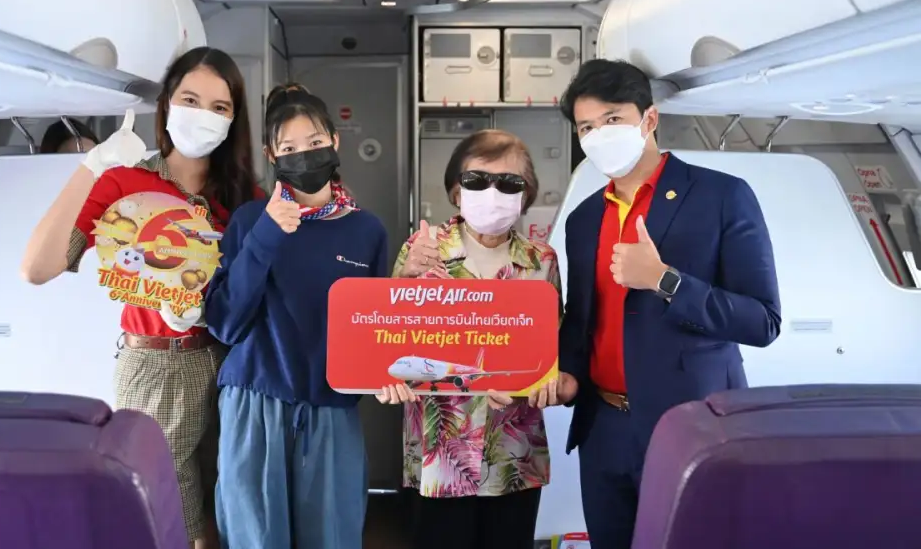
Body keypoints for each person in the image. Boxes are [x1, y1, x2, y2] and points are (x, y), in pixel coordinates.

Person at [20, 46, 260, 549]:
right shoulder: (126, 183)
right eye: (190, 100)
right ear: (167, 104)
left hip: (231, 364)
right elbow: (37, 267)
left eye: (219, 107)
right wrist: (92, 166)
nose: (203, 115)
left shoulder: (246, 199)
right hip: (154, 365)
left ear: (233, 119)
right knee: (165, 513)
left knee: (232, 504)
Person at [537, 59, 782, 549]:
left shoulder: (721, 196)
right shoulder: (584, 219)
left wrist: (666, 281)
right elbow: (584, 322)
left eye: (612, 119)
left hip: (690, 425)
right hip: (603, 427)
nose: (598, 135)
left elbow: (762, 321)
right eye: (586, 127)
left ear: (649, 118)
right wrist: (569, 374)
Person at [204, 83, 389, 549]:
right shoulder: (250, 221)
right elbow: (225, 323)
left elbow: (373, 331)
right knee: (255, 536)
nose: (304, 155)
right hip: (254, 402)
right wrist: (267, 235)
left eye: (315, 142)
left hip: (331, 410)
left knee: (333, 535)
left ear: (334, 142)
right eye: (288, 148)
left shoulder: (366, 231)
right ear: (272, 155)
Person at [377, 129, 562, 549]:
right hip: (439, 455)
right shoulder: (422, 251)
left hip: (513, 455)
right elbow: (387, 335)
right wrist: (406, 278)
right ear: (456, 191)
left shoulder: (542, 261)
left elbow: (551, 347)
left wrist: (534, 383)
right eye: (477, 180)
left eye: (509, 182)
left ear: (526, 195)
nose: (492, 193)